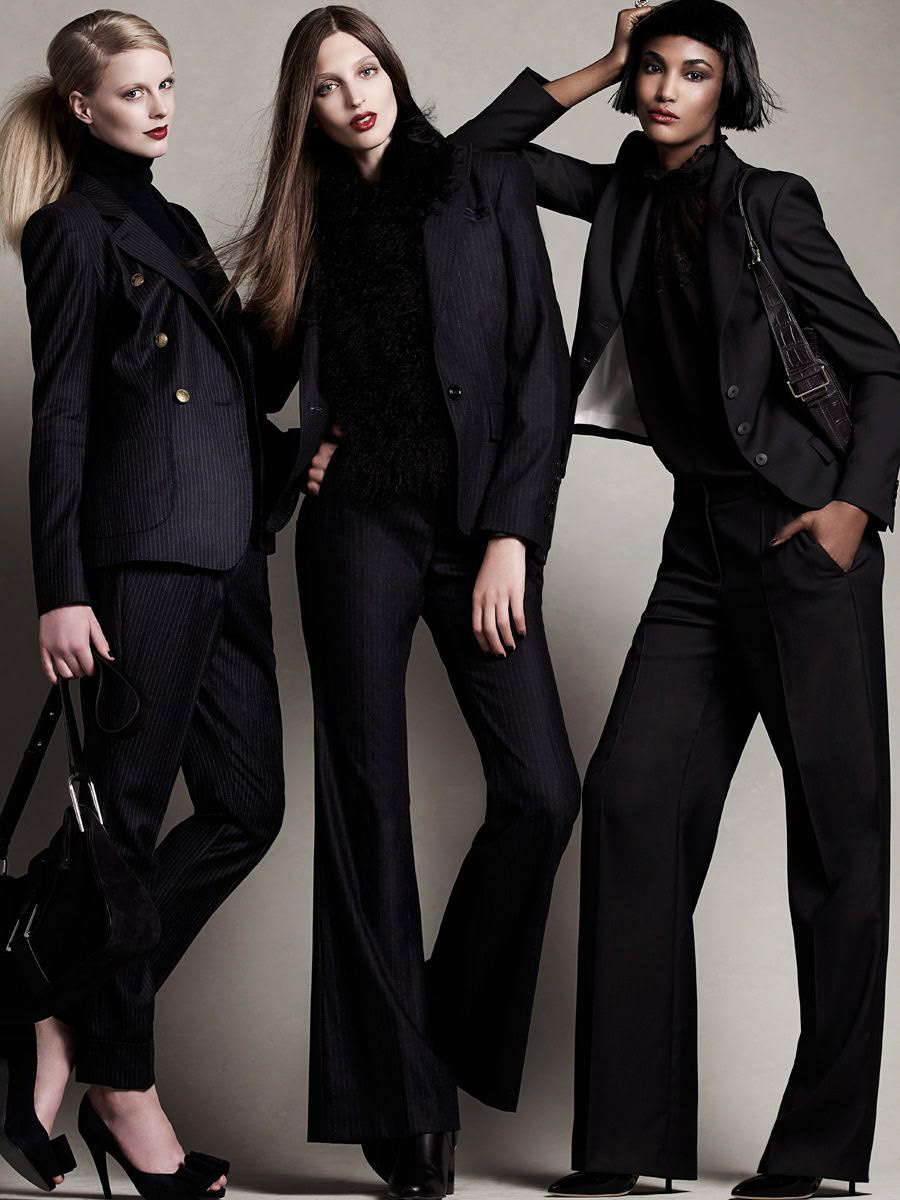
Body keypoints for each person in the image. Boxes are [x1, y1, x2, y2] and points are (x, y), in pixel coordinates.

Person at [452, 1, 900, 1197]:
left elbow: (883, 363)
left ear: (725, 88)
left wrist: (852, 510)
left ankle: (819, 1154)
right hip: (698, 546)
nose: (662, 87)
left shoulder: (774, 204)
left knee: (838, 840)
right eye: (650, 68)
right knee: (632, 801)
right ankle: (630, 1149)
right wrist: (596, 60)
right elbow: (468, 158)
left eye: (691, 71)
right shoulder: (620, 198)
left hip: (801, 540)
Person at [224, 6, 580, 1197]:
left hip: (475, 530)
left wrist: (515, 536)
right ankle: (404, 1111)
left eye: (365, 70)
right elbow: (236, 381)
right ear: (307, 111)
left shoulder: (479, 179)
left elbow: (539, 369)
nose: (353, 97)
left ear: (393, 72)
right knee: (367, 803)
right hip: (358, 534)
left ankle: (419, 1031)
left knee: (542, 791)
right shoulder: (306, 226)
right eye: (326, 86)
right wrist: (296, 460)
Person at [0, 10, 285, 1198]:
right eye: (133, 91)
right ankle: (126, 1091)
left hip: (229, 556)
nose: (160, 107)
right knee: (119, 823)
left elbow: (234, 395)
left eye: (167, 84)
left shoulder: (172, 223)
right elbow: (63, 414)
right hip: (142, 558)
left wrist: (298, 459)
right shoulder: (71, 230)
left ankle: (42, 994)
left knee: (247, 807)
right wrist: (62, 590)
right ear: (83, 105)